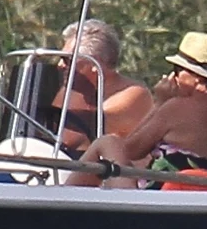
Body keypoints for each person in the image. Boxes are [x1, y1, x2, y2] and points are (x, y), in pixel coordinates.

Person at [65, 32, 207, 190]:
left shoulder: (176, 108)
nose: (172, 77)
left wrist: (160, 104)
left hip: (154, 201)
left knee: (109, 142)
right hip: (197, 206)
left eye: (177, 70)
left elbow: (131, 150)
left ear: (196, 77)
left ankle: (65, 198)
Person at [45, 19, 152, 154]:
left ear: (95, 64)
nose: (60, 65)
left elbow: (92, 125)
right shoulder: (67, 93)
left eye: (67, 60)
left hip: (114, 172)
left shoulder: (135, 94)